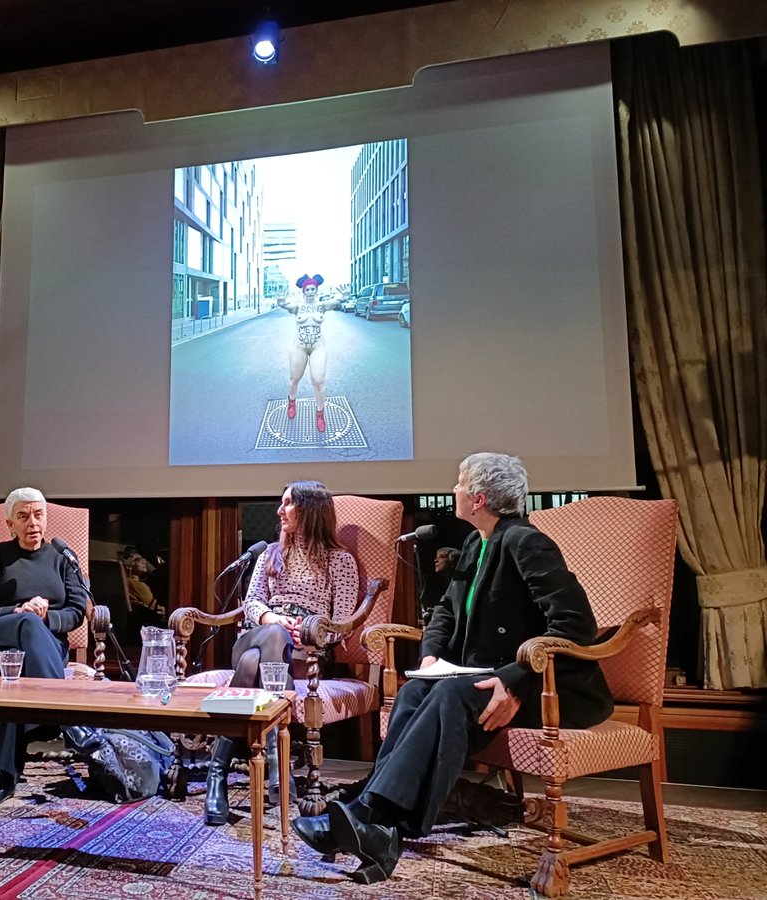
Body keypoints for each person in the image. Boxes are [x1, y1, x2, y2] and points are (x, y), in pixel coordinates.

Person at [292, 453, 613, 884]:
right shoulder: (476, 543)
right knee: (413, 690)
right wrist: (430, 655)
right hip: (483, 675)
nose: (454, 490)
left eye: (460, 484)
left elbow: (576, 626)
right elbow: (445, 609)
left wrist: (514, 681)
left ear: (478, 498)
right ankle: (374, 822)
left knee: (449, 695)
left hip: (552, 687)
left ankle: (372, 818)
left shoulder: (525, 542)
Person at [204, 480, 359, 826]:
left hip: (307, 653)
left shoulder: (340, 561)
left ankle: (218, 776)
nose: (279, 511)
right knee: (269, 638)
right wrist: (274, 619)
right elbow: (252, 602)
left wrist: (304, 635)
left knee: (251, 666)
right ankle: (277, 766)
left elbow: (343, 621)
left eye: (287, 503)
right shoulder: (270, 554)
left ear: (310, 510)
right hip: (257, 635)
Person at [0, 487, 90, 809]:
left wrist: (46, 618)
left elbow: (76, 612)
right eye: (23, 516)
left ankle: (4, 775)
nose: (32, 522)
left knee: (15, 680)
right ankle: (61, 717)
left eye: (38, 514)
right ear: (10, 524)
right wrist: (17, 612)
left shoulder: (63, 557)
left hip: (41, 648)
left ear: (46, 518)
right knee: (28, 624)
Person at [278, 274, 342, 433]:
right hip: (299, 346)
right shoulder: (297, 306)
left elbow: (335, 302)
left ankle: (320, 415)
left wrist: (344, 296)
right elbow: (285, 306)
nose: (311, 291)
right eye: (308, 289)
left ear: (317, 289)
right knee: (294, 379)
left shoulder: (321, 305)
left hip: (318, 346)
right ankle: (291, 403)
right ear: (303, 291)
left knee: (319, 381)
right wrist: (280, 301)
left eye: (313, 289)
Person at [119, 546, 165, 621]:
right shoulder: (135, 584)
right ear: (130, 565)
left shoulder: (134, 583)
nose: (144, 562)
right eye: (138, 560)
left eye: (143, 559)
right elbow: (154, 606)